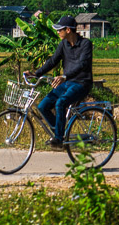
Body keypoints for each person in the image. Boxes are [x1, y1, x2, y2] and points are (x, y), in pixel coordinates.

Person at [28, 15, 94, 149]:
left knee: (60, 103)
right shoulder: (63, 44)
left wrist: (64, 76)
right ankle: (60, 132)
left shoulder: (86, 44)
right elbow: (53, 61)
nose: (58, 32)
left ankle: (58, 139)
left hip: (82, 83)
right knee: (42, 106)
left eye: (60, 30)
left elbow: (82, 64)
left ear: (68, 30)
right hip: (67, 83)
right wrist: (36, 74)